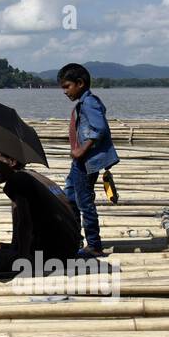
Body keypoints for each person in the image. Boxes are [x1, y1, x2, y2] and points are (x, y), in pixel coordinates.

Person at [58, 62, 119, 258]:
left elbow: (99, 128)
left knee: (84, 202)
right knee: (70, 196)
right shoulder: (85, 103)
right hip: (82, 162)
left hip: (86, 162)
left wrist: (81, 149)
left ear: (80, 83)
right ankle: (76, 238)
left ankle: (94, 244)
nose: (65, 92)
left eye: (67, 86)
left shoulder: (89, 102)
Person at [0, 148, 81, 274]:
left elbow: (25, 224)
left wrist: (22, 259)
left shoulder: (18, 180)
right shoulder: (34, 176)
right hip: (68, 249)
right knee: (1, 251)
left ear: (12, 161)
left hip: (55, 256)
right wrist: (11, 247)